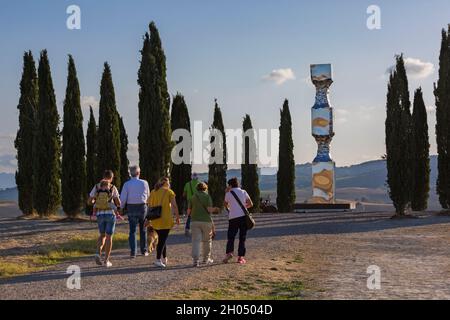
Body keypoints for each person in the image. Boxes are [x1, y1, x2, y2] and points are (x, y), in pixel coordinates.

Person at [88, 170, 121, 268]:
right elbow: (118, 202)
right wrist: (117, 205)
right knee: (109, 237)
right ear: (111, 178)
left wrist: (95, 201)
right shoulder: (112, 187)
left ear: (103, 176)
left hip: (99, 214)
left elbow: (89, 201)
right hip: (110, 213)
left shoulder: (97, 186)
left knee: (102, 235)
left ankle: (98, 252)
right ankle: (106, 260)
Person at [148, 177, 180, 268]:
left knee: (162, 238)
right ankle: (158, 259)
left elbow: (149, 205)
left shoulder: (153, 191)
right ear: (167, 183)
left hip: (155, 219)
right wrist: (177, 217)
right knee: (162, 239)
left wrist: (148, 219)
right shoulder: (169, 192)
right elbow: (174, 205)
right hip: (165, 219)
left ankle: (164, 257)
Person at [120, 165, 150, 258]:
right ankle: (144, 251)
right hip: (142, 207)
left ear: (130, 173)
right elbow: (148, 196)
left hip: (131, 208)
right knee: (143, 230)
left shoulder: (126, 184)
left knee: (132, 231)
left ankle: (133, 252)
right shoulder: (144, 183)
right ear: (138, 173)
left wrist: (120, 208)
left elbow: (123, 198)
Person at [187, 182, 219, 267]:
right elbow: (209, 210)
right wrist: (215, 209)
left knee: (196, 241)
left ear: (197, 188)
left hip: (194, 221)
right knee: (207, 240)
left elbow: (188, 212)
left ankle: (195, 260)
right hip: (206, 221)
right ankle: (206, 259)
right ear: (205, 188)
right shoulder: (207, 196)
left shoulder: (192, 197)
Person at [223, 177, 253, 265]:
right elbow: (251, 204)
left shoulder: (228, 193)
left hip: (232, 217)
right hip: (243, 217)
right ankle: (240, 258)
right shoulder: (243, 192)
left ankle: (229, 253)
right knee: (242, 238)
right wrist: (243, 207)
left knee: (231, 237)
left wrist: (231, 208)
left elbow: (225, 204)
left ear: (230, 185)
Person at [183, 173, 200, 237]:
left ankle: (187, 229)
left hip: (189, 202)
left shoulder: (187, 184)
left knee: (190, 216)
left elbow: (184, 194)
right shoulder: (199, 184)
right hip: (198, 201)